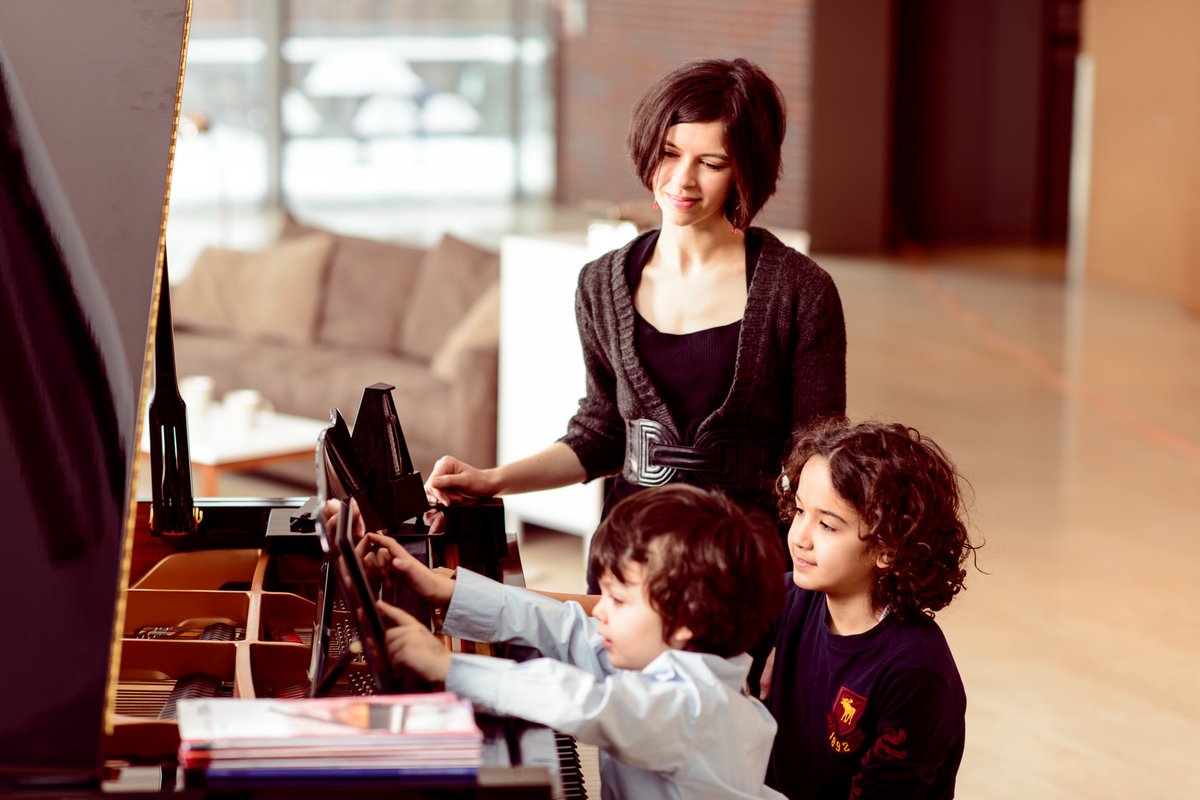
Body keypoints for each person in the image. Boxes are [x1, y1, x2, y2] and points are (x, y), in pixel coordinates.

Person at [422, 57, 847, 589]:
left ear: (745, 170)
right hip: (628, 558)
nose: (681, 180)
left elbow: (820, 459)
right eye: (669, 153)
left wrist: (807, 604)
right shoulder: (601, 284)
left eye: (711, 163)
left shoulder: (800, 292)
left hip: (744, 569)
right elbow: (601, 433)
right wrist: (493, 480)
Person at [369, 484, 789, 799]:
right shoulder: (675, 660)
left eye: (618, 600)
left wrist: (450, 668)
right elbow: (568, 625)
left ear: (687, 622)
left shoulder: (694, 708)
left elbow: (588, 703)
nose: (599, 610)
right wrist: (450, 591)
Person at [762, 419, 979, 799]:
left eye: (827, 526)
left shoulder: (915, 672)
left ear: (888, 548)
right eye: (799, 511)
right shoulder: (785, 601)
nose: (799, 537)